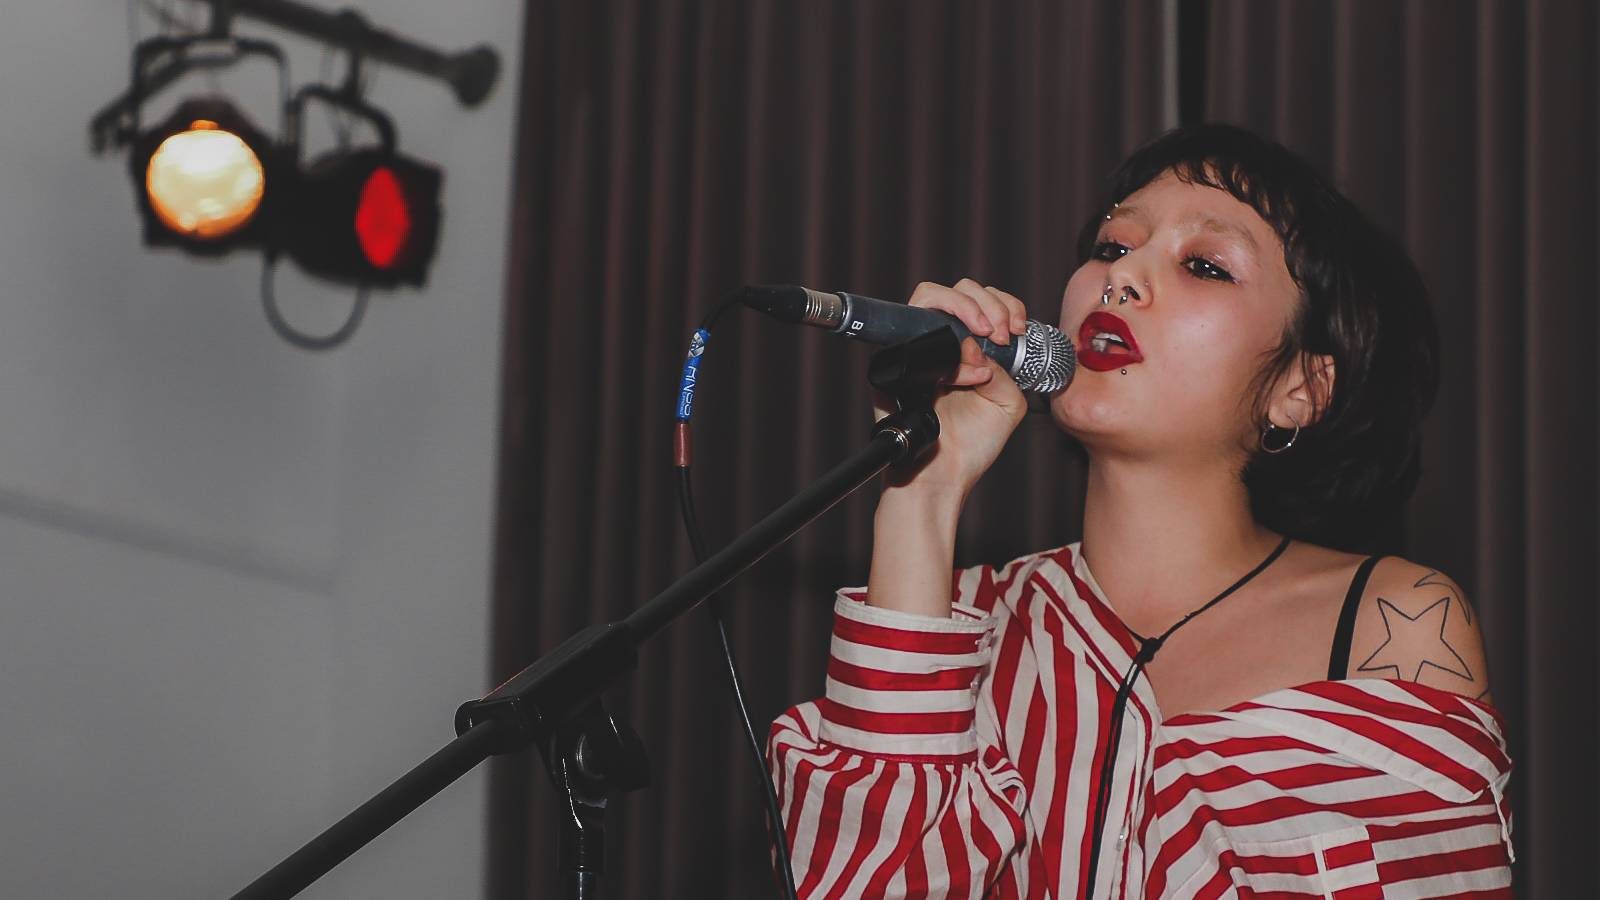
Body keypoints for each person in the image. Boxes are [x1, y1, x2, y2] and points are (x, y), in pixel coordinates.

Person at [768, 124, 1513, 899]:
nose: (1121, 279)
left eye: (1204, 265)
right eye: (1112, 246)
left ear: (1302, 389)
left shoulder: (1394, 620)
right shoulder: (951, 622)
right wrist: (923, 490)